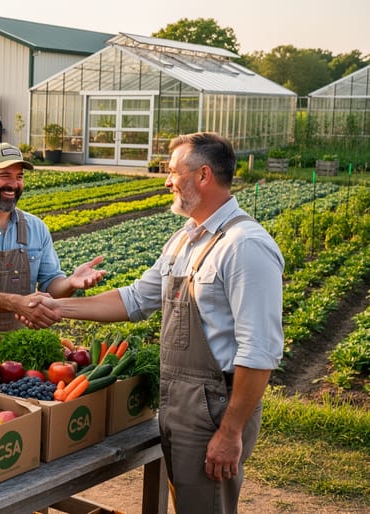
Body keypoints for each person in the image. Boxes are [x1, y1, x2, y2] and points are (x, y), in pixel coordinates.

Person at [28, 132, 284, 513]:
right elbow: (134, 299)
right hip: (178, 397)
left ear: (203, 176)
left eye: (172, 172)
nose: (166, 181)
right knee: (187, 500)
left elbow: (259, 352)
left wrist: (230, 432)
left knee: (205, 506)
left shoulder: (244, 245)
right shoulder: (184, 240)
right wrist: (56, 307)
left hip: (214, 407)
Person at [0, 142, 106, 365]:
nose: (13, 184)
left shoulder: (36, 228)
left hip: (20, 349)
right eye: (5, 175)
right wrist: (15, 302)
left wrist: (70, 283)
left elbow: (51, 286)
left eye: (19, 176)